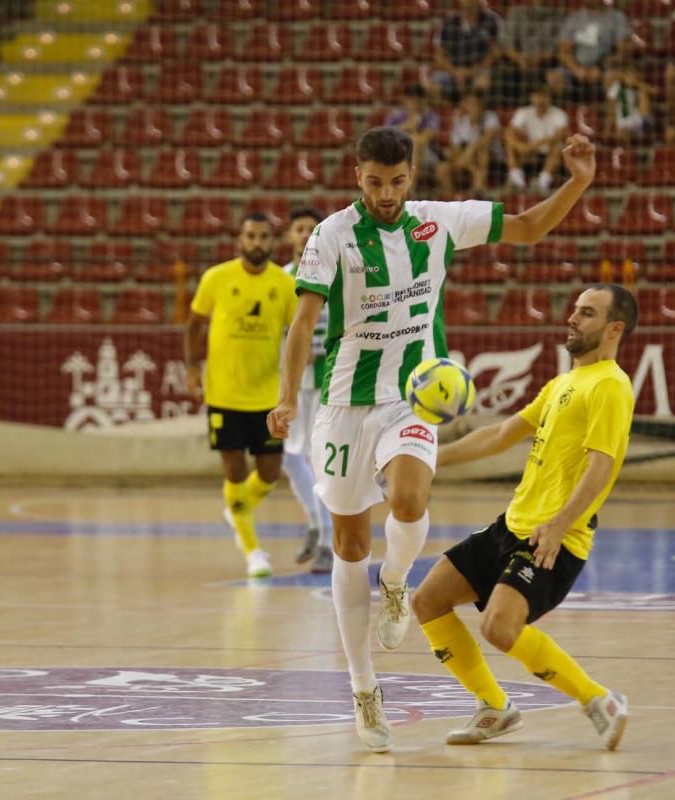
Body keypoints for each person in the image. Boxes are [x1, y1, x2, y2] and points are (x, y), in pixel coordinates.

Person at [267, 125, 598, 753]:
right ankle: (365, 688)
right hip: (341, 406)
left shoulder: (436, 222)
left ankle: (396, 581)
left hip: (410, 395)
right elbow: (302, 320)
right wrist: (287, 398)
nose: (386, 194)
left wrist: (576, 183)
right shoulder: (331, 234)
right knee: (348, 545)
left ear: (411, 175)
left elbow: (526, 227)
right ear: (357, 176)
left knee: (411, 501)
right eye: (374, 182)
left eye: (396, 182)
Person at [411, 284, 638, 750]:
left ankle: (599, 700)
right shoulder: (562, 383)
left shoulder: (610, 385)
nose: (573, 318)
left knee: (499, 626)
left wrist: (558, 525)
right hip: (512, 525)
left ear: (615, 329)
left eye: (588, 313)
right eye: (574, 308)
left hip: (556, 537)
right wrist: (428, 456)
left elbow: (602, 466)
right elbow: (499, 434)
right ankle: (494, 706)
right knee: (427, 600)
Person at [185, 213, 297, 578]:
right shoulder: (216, 278)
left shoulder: (283, 284)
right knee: (233, 468)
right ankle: (253, 552)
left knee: (269, 472)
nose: (257, 242)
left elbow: (296, 331)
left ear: (272, 241)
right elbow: (194, 325)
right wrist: (190, 368)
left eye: (264, 236)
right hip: (224, 394)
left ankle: (237, 508)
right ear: (240, 239)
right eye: (251, 235)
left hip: (266, 396)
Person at [280, 207, 333, 574]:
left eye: (311, 229)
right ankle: (315, 524)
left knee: (319, 461)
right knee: (289, 456)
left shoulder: (333, 272)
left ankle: (328, 541)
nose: (304, 234)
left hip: (327, 378)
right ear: (289, 236)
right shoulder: (279, 278)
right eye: (298, 228)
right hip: (289, 382)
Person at [426, 0, 504, 105]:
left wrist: (471, 71)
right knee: (432, 85)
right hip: (454, 71)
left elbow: (496, 53)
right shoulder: (449, 22)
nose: (467, 3)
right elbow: (439, 56)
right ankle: (451, 114)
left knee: (483, 82)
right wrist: (455, 72)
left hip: (480, 70)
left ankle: (473, 114)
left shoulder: (491, 19)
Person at [556, 0, 632, 103]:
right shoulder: (574, 18)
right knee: (554, 77)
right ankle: (564, 115)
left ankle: (610, 117)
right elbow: (563, 52)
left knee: (612, 79)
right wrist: (577, 69)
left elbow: (622, 52)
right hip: (577, 67)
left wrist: (600, 68)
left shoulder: (617, 17)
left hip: (606, 67)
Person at [503, 84, 570, 194]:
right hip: (530, 154)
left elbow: (560, 135)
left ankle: (543, 182)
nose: (540, 100)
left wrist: (535, 145)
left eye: (544, 96)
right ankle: (517, 180)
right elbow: (509, 132)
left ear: (550, 98)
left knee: (558, 145)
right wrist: (520, 146)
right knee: (511, 144)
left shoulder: (559, 114)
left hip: (550, 153)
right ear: (531, 98)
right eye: (537, 96)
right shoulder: (523, 112)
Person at [498, 0, 566, 104]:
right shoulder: (516, 13)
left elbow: (559, 48)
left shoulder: (559, 16)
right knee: (502, 75)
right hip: (518, 61)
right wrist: (519, 58)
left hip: (546, 63)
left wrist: (538, 58)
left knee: (550, 77)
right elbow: (506, 45)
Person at [436, 91, 503, 195]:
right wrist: (468, 163)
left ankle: (478, 191)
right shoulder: (461, 121)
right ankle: (451, 200)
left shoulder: (490, 117)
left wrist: (471, 149)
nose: (472, 107)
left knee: (482, 150)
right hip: (466, 162)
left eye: (475, 104)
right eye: (469, 104)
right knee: (442, 168)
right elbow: (455, 148)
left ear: (482, 105)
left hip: (493, 162)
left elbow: (487, 138)